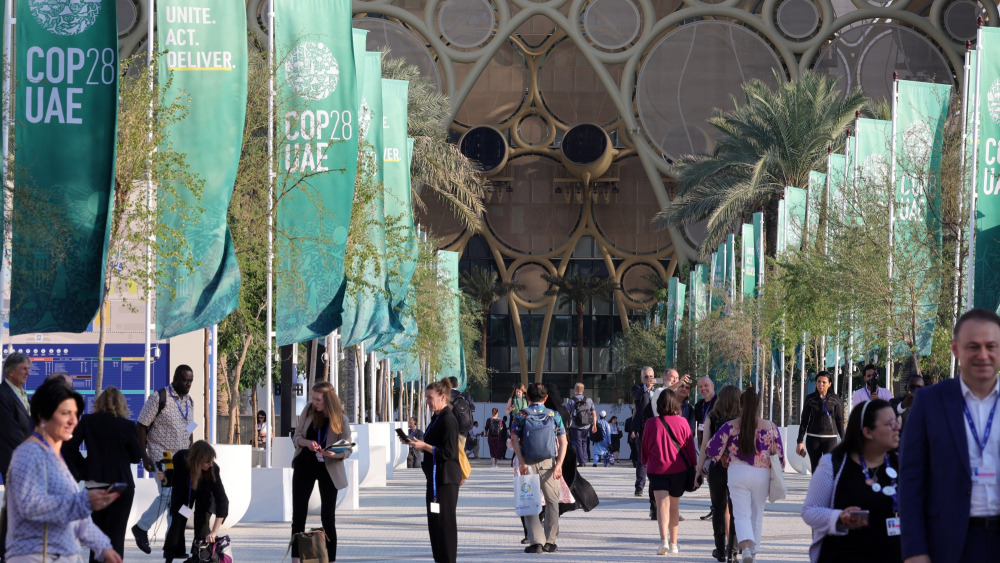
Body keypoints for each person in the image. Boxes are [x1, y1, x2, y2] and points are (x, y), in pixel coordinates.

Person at [900, 308, 1000, 563]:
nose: (983, 355)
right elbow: (911, 483)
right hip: (949, 543)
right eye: (973, 346)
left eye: (991, 346)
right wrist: (914, 550)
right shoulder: (928, 401)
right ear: (955, 349)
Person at [4, 377, 123, 563]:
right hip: (37, 556)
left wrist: (103, 547)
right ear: (43, 415)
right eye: (65, 413)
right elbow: (29, 504)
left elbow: (76, 518)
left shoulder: (54, 457)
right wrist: (83, 500)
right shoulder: (29, 453)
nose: (73, 421)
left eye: (76, 414)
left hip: (60, 555)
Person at [801, 399, 901, 563]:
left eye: (896, 421)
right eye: (890, 423)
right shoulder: (833, 464)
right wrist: (839, 517)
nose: (897, 427)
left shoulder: (903, 464)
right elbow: (809, 511)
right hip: (844, 555)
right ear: (867, 432)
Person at [64, 387, 143, 563]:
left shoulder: (88, 421)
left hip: (95, 484)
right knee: (116, 536)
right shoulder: (128, 425)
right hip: (122, 485)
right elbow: (136, 457)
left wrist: (84, 467)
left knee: (96, 536)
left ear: (98, 403)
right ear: (122, 404)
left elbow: (69, 446)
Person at [707, 386, 785, 563]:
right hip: (762, 473)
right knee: (757, 513)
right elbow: (780, 457)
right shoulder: (771, 427)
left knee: (741, 514)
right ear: (758, 404)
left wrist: (724, 456)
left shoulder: (730, 426)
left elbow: (711, 449)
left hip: (737, 472)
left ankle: (745, 549)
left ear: (740, 404)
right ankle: (754, 552)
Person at [132, 365, 196, 554]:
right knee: (168, 496)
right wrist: (144, 455)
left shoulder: (189, 401)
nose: (188, 384)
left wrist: (192, 450)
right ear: (175, 378)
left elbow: (190, 426)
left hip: (183, 459)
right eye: (185, 380)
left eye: (191, 381)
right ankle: (141, 527)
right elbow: (142, 425)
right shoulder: (158, 398)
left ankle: (172, 545)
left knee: (177, 502)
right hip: (164, 456)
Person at [399, 379, 461, 563]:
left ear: (443, 397)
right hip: (435, 478)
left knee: (445, 526)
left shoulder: (448, 420)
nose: (427, 401)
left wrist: (424, 446)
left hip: (445, 480)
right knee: (435, 525)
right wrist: (416, 444)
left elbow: (449, 452)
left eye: (429, 397)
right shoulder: (437, 417)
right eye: (426, 397)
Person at [291, 382, 353, 562]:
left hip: (329, 468)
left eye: (318, 399)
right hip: (305, 465)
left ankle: (330, 559)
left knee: (328, 517)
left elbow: (348, 448)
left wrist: (335, 453)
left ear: (328, 400)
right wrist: (308, 443)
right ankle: (296, 559)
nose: (314, 402)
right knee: (299, 514)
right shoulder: (309, 410)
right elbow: (297, 436)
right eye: (313, 398)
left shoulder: (341, 419)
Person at [511, 383, 569, 555]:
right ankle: (550, 542)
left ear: (527, 397)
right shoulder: (554, 415)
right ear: (546, 398)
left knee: (529, 501)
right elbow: (563, 441)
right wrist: (558, 464)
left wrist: (521, 461)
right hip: (548, 464)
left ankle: (536, 542)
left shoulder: (521, 415)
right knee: (552, 502)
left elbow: (514, 439)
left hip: (527, 462)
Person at [642, 388, 699, 555]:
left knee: (662, 506)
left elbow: (645, 447)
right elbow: (689, 448)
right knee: (674, 507)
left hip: (657, 468)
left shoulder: (651, 423)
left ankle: (663, 541)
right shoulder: (682, 422)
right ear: (675, 404)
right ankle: (674, 543)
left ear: (659, 405)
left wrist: (645, 461)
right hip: (679, 470)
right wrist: (694, 468)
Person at [159, 441, 229, 563]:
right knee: (178, 522)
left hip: (204, 497)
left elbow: (222, 500)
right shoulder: (181, 458)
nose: (210, 464)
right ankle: (171, 556)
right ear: (197, 459)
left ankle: (200, 558)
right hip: (184, 495)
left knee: (202, 527)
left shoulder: (213, 470)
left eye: (212, 461)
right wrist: (163, 479)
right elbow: (169, 480)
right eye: (207, 462)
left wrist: (214, 531)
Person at [696, 384, 741, 562]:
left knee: (719, 508)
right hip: (739, 468)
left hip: (717, 468)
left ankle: (720, 550)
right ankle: (734, 551)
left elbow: (705, 445)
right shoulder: (744, 417)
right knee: (737, 510)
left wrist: (698, 470)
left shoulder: (712, 416)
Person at [0, 352, 32, 563]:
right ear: (11, 371)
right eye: (24, 369)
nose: (28, 373)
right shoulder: (2, 394)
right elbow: (11, 432)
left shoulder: (21, 393)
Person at [796, 372, 845, 472]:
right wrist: (799, 441)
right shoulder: (810, 398)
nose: (820, 384)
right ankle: (816, 488)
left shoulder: (834, 399)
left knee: (830, 467)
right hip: (813, 438)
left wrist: (844, 439)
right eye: (818, 381)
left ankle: (828, 488)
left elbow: (839, 419)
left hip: (830, 439)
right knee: (816, 468)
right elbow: (804, 420)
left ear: (829, 384)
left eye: (824, 382)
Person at [631, 367, 657, 502]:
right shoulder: (637, 389)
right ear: (641, 378)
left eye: (651, 376)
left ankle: (655, 486)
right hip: (643, 428)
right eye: (646, 377)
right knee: (642, 459)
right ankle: (639, 487)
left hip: (657, 429)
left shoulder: (658, 391)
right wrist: (646, 387)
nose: (649, 379)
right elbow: (636, 396)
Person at [566, 383, 596, 467]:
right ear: (583, 390)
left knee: (578, 443)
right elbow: (594, 413)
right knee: (584, 442)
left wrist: (567, 426)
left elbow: (568, 414)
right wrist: (594, 425)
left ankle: (581, 462)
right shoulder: (589, 400)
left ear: (575, 390)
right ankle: (584, 460)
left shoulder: (571, 401)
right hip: (586, 425)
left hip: (575, 426)